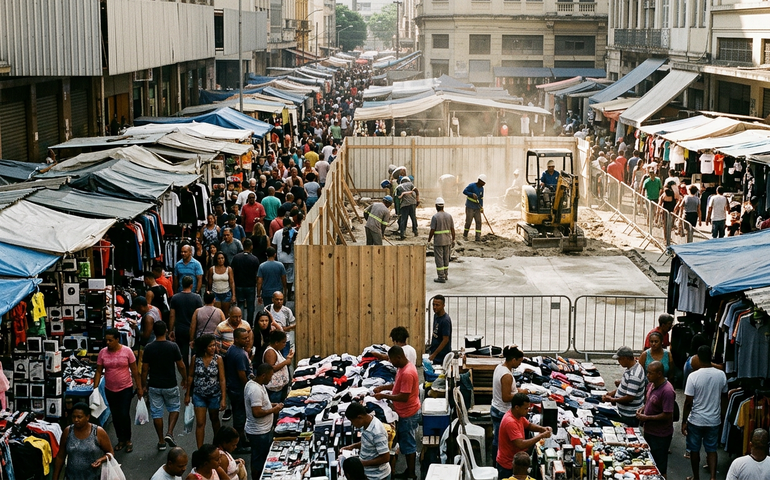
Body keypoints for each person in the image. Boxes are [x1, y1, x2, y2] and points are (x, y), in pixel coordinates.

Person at [373, 346, 421, 480]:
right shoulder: (403, 368)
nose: (391, 363)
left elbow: (403, 396)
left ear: (399, 357)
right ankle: (409, 470)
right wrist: (383, 388)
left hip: (408, 414)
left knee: (408, 444)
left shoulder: (407, 373)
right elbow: (397, 386)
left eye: (392, 360)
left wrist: (384, 396)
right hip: (405, 411)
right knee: (406, 442)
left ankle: (411, 474)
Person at [93, 328, 143, 452]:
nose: (108, 343)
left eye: (111, 340)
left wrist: (140, 387)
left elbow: (135, 370)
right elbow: (99, 370)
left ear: (117, 339)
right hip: (110, 389)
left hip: (125, 388)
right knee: (115, 415)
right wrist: (95, 388)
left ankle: (128, 439)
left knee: (124, 414)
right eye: (106, 340)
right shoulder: (103, 353)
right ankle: (120, 439)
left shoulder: (127, 351)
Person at [683, 345, 728, 480]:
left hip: (696, 419)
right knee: (712, 449)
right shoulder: (721, 375)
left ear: (698, 357)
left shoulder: (693, 376)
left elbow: (688, 402)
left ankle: (696, 477)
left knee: (694, 449)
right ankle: (713, 477)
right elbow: (724, 397)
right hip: (714, 420)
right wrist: (722, 415)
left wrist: (684, 421)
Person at [142, 321, 187, 450]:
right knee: (174, 408)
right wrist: (185, 378)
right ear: (166, 331)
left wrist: (143, 384)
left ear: (153, 332)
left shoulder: (149, 348)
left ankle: (161, 440)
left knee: (157, 413)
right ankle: (170, 432)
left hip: (154, 385)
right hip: (170, 384)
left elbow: (145, 369)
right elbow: (181, 365)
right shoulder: (173, 347)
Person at [496, 393, 553, 479]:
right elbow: (521, 444)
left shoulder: (518, 416)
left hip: (515, 461)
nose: (528, 410)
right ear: (517, 407)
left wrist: (543, 429)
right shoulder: (510, 422)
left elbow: (528, 425)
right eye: (526, 408)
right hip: (508, 465)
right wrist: (541, 436)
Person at [52, 402, 114, 480]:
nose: (76, 420)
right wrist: (55, 477)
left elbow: (110, 452)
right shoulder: (68, 431)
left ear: (87, 417)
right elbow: (60, 456)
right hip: (71, 477)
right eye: (73, 417)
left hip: (93, 477)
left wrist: (101, 460)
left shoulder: (98, 432)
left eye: (79, 417)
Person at [635, 361, 675, 478]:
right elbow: (649, 401)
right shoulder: (652, 384)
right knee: (649, 464)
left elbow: (667, 414)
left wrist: (647, 417)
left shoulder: (667, 391)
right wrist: (643, 409)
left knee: (660, 468)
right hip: (649, 431)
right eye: (647, 372)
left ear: (659, 374)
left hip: (660, 435)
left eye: (650, 373)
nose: (647, 375)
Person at [185, 334, 226, 448]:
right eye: (210, 346)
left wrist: (223, 398)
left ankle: (217, 446)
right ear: (204, 348)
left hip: (214, 394)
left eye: (214, 345)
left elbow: (222, 379)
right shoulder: (195, 358)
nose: (213, 348)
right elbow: (191, 376)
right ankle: (200, 449)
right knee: (200, 423)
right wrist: (188, 394)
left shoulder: (218, 359)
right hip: (199, 395)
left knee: (214, 419)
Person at [245, 363, 283, 478]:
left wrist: (271, 405)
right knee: (259, 461)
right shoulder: (255, 390)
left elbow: (262, 404)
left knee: (260, 458)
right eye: (270, 376)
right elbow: (256, 412)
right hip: (258, 432)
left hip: (262, 430)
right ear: (263, 375)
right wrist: (273, 410)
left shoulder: (256, 384)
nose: (271, 379)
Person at [491, 346, 526, 466]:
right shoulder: (506, 375)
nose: (519, 365)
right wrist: (519, 393)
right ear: (513, 360)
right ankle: (498, 464)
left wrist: (517, 391)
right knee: (501, 442)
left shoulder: (500, 367)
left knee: (498, 439)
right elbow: (505, 397)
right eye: (519, 362)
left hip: (496, 407)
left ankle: (496, 462)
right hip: (502, 410)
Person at [341, 402, 391, 480]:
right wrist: (351, 447)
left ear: (359, 417)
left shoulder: (377, 432)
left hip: (378, 476)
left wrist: (362, 464)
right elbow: (368, 441)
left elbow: (385, 458)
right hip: (368, 473)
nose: (352, 424)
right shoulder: (365, 424)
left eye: (352, 421)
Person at [602, 346, 646, 427]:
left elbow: (630, 397)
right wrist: (613, 393)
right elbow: (626, 386)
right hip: (624, 412)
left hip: (629, 415)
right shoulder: (632, 367)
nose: (619, 362)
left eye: (620, 359)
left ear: (626, 358)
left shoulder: (634, 375)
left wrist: (613, 399)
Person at [224, 328, 252, 453]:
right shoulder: (239, 354)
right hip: (239, 390)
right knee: (240, 419)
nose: (247, 340)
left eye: (247, 337)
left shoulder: (232, 349)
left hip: (233, 389)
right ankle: (238, 445)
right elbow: (241, 374)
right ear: (236, 339)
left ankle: (242, 439)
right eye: (244, 338)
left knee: (240, 416)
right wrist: (248, 388)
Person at [170, 276, 204, 366]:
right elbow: (200, 315)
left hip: (180, 329)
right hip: (194, 329)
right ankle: (192, 372)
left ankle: (185, 372)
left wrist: (171, 330)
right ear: (191, 285)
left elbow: (172, 315)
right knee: (195, 352)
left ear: (182, 284)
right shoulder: (197, 298)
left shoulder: (175, 298)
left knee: (183, 353)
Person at [230, 238, 260, 325]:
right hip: (250, 286)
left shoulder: (236, 258)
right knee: (251, 306)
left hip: (239, 285)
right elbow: (257, 275)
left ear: (243, 246)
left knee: (240, 305)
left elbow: (232, 270)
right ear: (251, 247)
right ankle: (249, 324)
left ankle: (240, 323)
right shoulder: (254, 259)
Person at [427, 197, 454, 283]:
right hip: (447, 241)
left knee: (439, 259)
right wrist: (453, 239)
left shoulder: (435, 217)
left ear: (436, 206)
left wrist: (429, 240)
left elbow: (432, 230)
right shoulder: (449, 216)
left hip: (438, 241)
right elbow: (452, 229)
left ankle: (441, 277)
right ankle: (445, 274)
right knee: (446, 258)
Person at [262, 330, 293, 403]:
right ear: (276, 342)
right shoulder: (270, 352)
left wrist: (288, 358)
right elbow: (271, 369)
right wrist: (286, 362)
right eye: (283, 342)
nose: (285, 344)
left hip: (280, 387)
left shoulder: (276, 350)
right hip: (274, 389)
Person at [271, 218, 296, 301]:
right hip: (291, 258)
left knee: (281, 277)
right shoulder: (295, 233)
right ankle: (289, 293)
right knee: (290, 278)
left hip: (280, 259)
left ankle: (282, 294)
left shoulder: (277, 233)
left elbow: (274, 245)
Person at [265, 291, 294, 357]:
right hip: (272, 339)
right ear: (272, 299)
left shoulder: (287, 311)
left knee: (284, 358)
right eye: (277, 299)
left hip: (284, 339)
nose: (279, 301)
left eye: (281, 299)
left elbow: (294, 324)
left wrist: (284, 328)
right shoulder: (267, 309)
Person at [207, 251, 236, 317]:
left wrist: (233, 295)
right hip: (215, 293)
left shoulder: (229, 269)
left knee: (226, 314)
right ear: (216, 259)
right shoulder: (212, 269)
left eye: (222, 258)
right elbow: (209, 282)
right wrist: (209, 292)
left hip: (226, 293)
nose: (221, 260)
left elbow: (232, 282)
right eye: (219, 258)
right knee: (217, 314)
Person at [463, 174, 486, 241]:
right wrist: (471, 194)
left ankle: (478, 237)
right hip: (470, 207)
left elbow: (481, 198)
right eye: (483, 182)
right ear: (479, 180)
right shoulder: (471, 186)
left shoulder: (482, 189)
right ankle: (465, 235)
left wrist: (481, 207)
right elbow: (464, 191)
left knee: (479, 222)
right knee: (468, 221)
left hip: (477, 208)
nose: (484, 184)